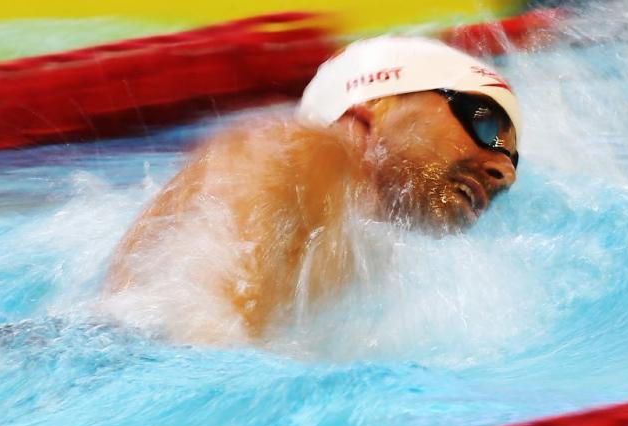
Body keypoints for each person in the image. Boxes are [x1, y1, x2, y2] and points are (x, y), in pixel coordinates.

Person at [101, 36, 521, 344]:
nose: (505, 171)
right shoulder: (306, 152)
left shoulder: (359, 242)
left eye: (512, 158)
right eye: (484, 124)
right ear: (371, 108)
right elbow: (206, 349)